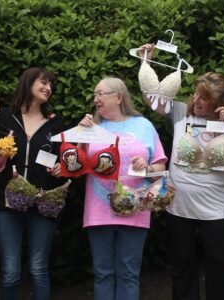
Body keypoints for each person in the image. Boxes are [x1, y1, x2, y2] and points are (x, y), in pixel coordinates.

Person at [137, 44, 224, 300]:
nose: (197, 101)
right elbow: (152, 100)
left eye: (205, 98)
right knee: (182, 263)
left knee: (216, 262)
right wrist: (146, 62)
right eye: (196, 95)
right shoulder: (180, 111)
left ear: (219, 102)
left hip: (214, 207)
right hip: (178, 205)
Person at [65, 77, 167, 300]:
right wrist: (82, 135)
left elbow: (160, 166)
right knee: (103, 274)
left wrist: (148, 166)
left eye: (100, 93)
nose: (95, 99)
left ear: (119, 97)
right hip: (98, 212)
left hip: (135, 210)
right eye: (94, 95)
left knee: (129, 274)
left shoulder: (144, 125)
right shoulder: (93, 126)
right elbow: (76, 166)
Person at [0, 67, 67, 300]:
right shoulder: (6, 116)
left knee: (39, 270)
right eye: (43, 83)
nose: (48, 88)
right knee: (10, 272)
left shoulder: (55, 123)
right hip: (6, 204)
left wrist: (61, 168)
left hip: (43, 202)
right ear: (28, 83)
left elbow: (64, 160)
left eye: (51, 85)